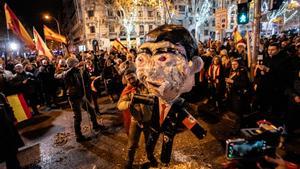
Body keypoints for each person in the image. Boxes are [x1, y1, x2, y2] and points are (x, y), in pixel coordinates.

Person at [135, 24, 206, 166]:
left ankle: (164, 162)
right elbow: (145, 100)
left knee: (166, 148)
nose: (150, 71)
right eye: (143, 59)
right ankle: (150, 156)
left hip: (169, 129)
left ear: (193, 65)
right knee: (150, 144)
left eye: (163, 58)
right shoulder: (155, 97)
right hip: (154, 126)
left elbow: (186, 117)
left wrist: (199, 132)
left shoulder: (177, 104)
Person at [54, 56, 105, 142]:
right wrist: (73, 68)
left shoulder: (78, 70)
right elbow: (60, 76)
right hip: (73, 96)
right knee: (78, 117)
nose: (77, 64)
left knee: (91, 110)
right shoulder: (65, 72)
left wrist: (88, 75)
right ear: (72, 64)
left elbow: (84, 79)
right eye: (75, 63)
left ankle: (95, 125)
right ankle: (79, 136)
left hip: (81, 95)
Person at [117, 69, 155, 169]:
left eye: (133, 77)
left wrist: (146, 97)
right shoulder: (127, 90)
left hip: (148, 119)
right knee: (132, 144)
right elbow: (120, 105)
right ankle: (129, 162)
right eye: (129, 79)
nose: (131, 80)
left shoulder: (145, 85)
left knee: (149, 142)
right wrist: (129, 103)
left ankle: (151, 157)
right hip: (136, 121)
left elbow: (155, 96)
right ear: (126, 80)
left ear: (136, 75)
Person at [0, 92, 24, 169]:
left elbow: (8, 106)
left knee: (11, 151)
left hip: (6, 126)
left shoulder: (0, 95)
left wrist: (13, 118)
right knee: (7, 151)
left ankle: (15, 166)